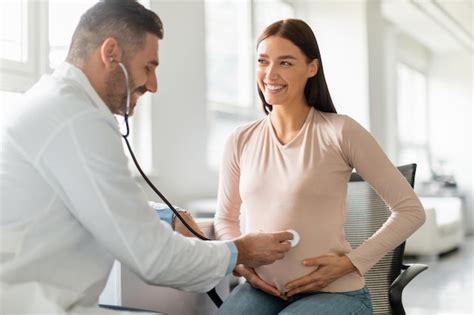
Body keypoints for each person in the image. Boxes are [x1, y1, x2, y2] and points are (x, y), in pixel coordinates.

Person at [0, 1, 294, 313]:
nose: (152, 85)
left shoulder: (56, 103)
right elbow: (153, 256)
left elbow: (102, 198)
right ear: (111, 53)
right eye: (148, 67)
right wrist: (240, 251)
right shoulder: (78, 120)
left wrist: (167, 215)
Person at [214, 19, 426, 314]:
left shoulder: (340, 132)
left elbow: (410, 211)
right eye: (263, 61)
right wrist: (237, 258)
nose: (270, 74)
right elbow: (225, 218)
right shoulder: (240, 140)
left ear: (312, 68)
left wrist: (351, 263)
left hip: (336, 293)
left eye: (285, 63)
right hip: (263, 289)